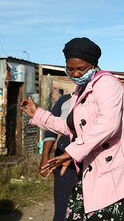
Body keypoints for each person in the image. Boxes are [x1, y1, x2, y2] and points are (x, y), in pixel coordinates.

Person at [21, 37, 124, 220]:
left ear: (94, 65)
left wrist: (71, 152)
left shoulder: (107, 84)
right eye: (70, 69)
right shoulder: (80, 91)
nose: (75, 74)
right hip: (89, 169)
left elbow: (108, 124)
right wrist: (38, 114)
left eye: (81, 69)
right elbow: (71, 128)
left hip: (109, 170)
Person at [40, 92, 76, 221]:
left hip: (91, 153)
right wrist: (45, 156)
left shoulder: (101, 98)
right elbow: (51, 127)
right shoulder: (66, 99)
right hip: (64, 151)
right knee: (62, 200)